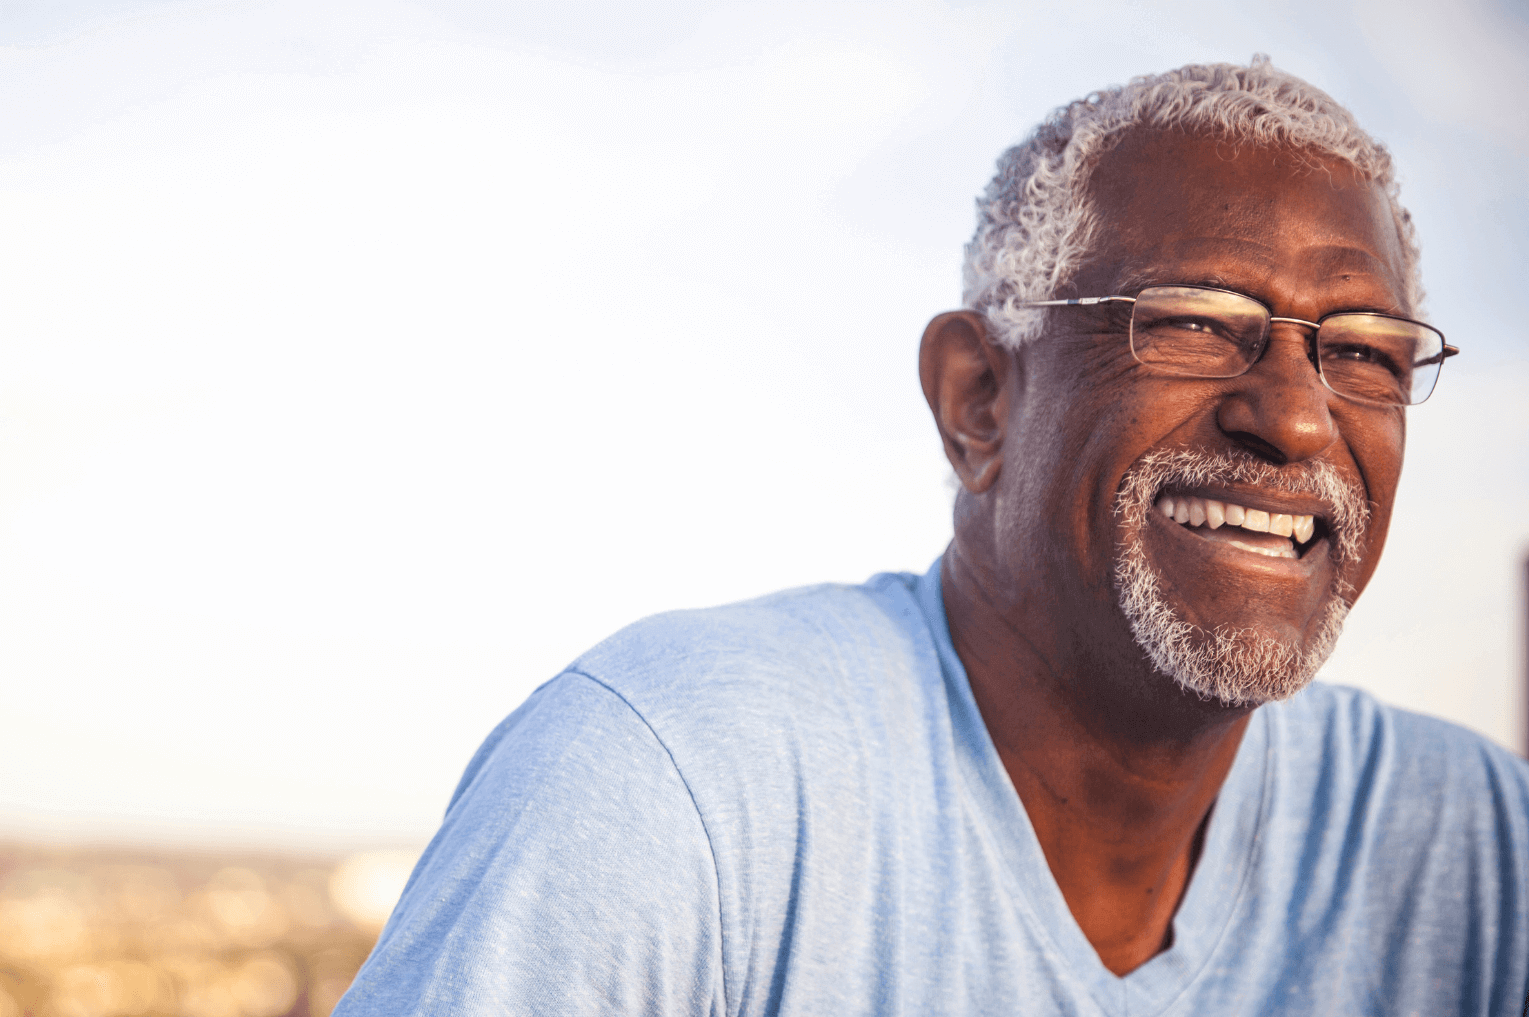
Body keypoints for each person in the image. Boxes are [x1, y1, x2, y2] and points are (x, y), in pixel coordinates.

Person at [335, 58, 1528, 1015]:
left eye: (1366, 349)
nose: (1296, 413)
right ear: (978, 401)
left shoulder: (1471, 845)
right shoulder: (673, 784)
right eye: (1193, 322)